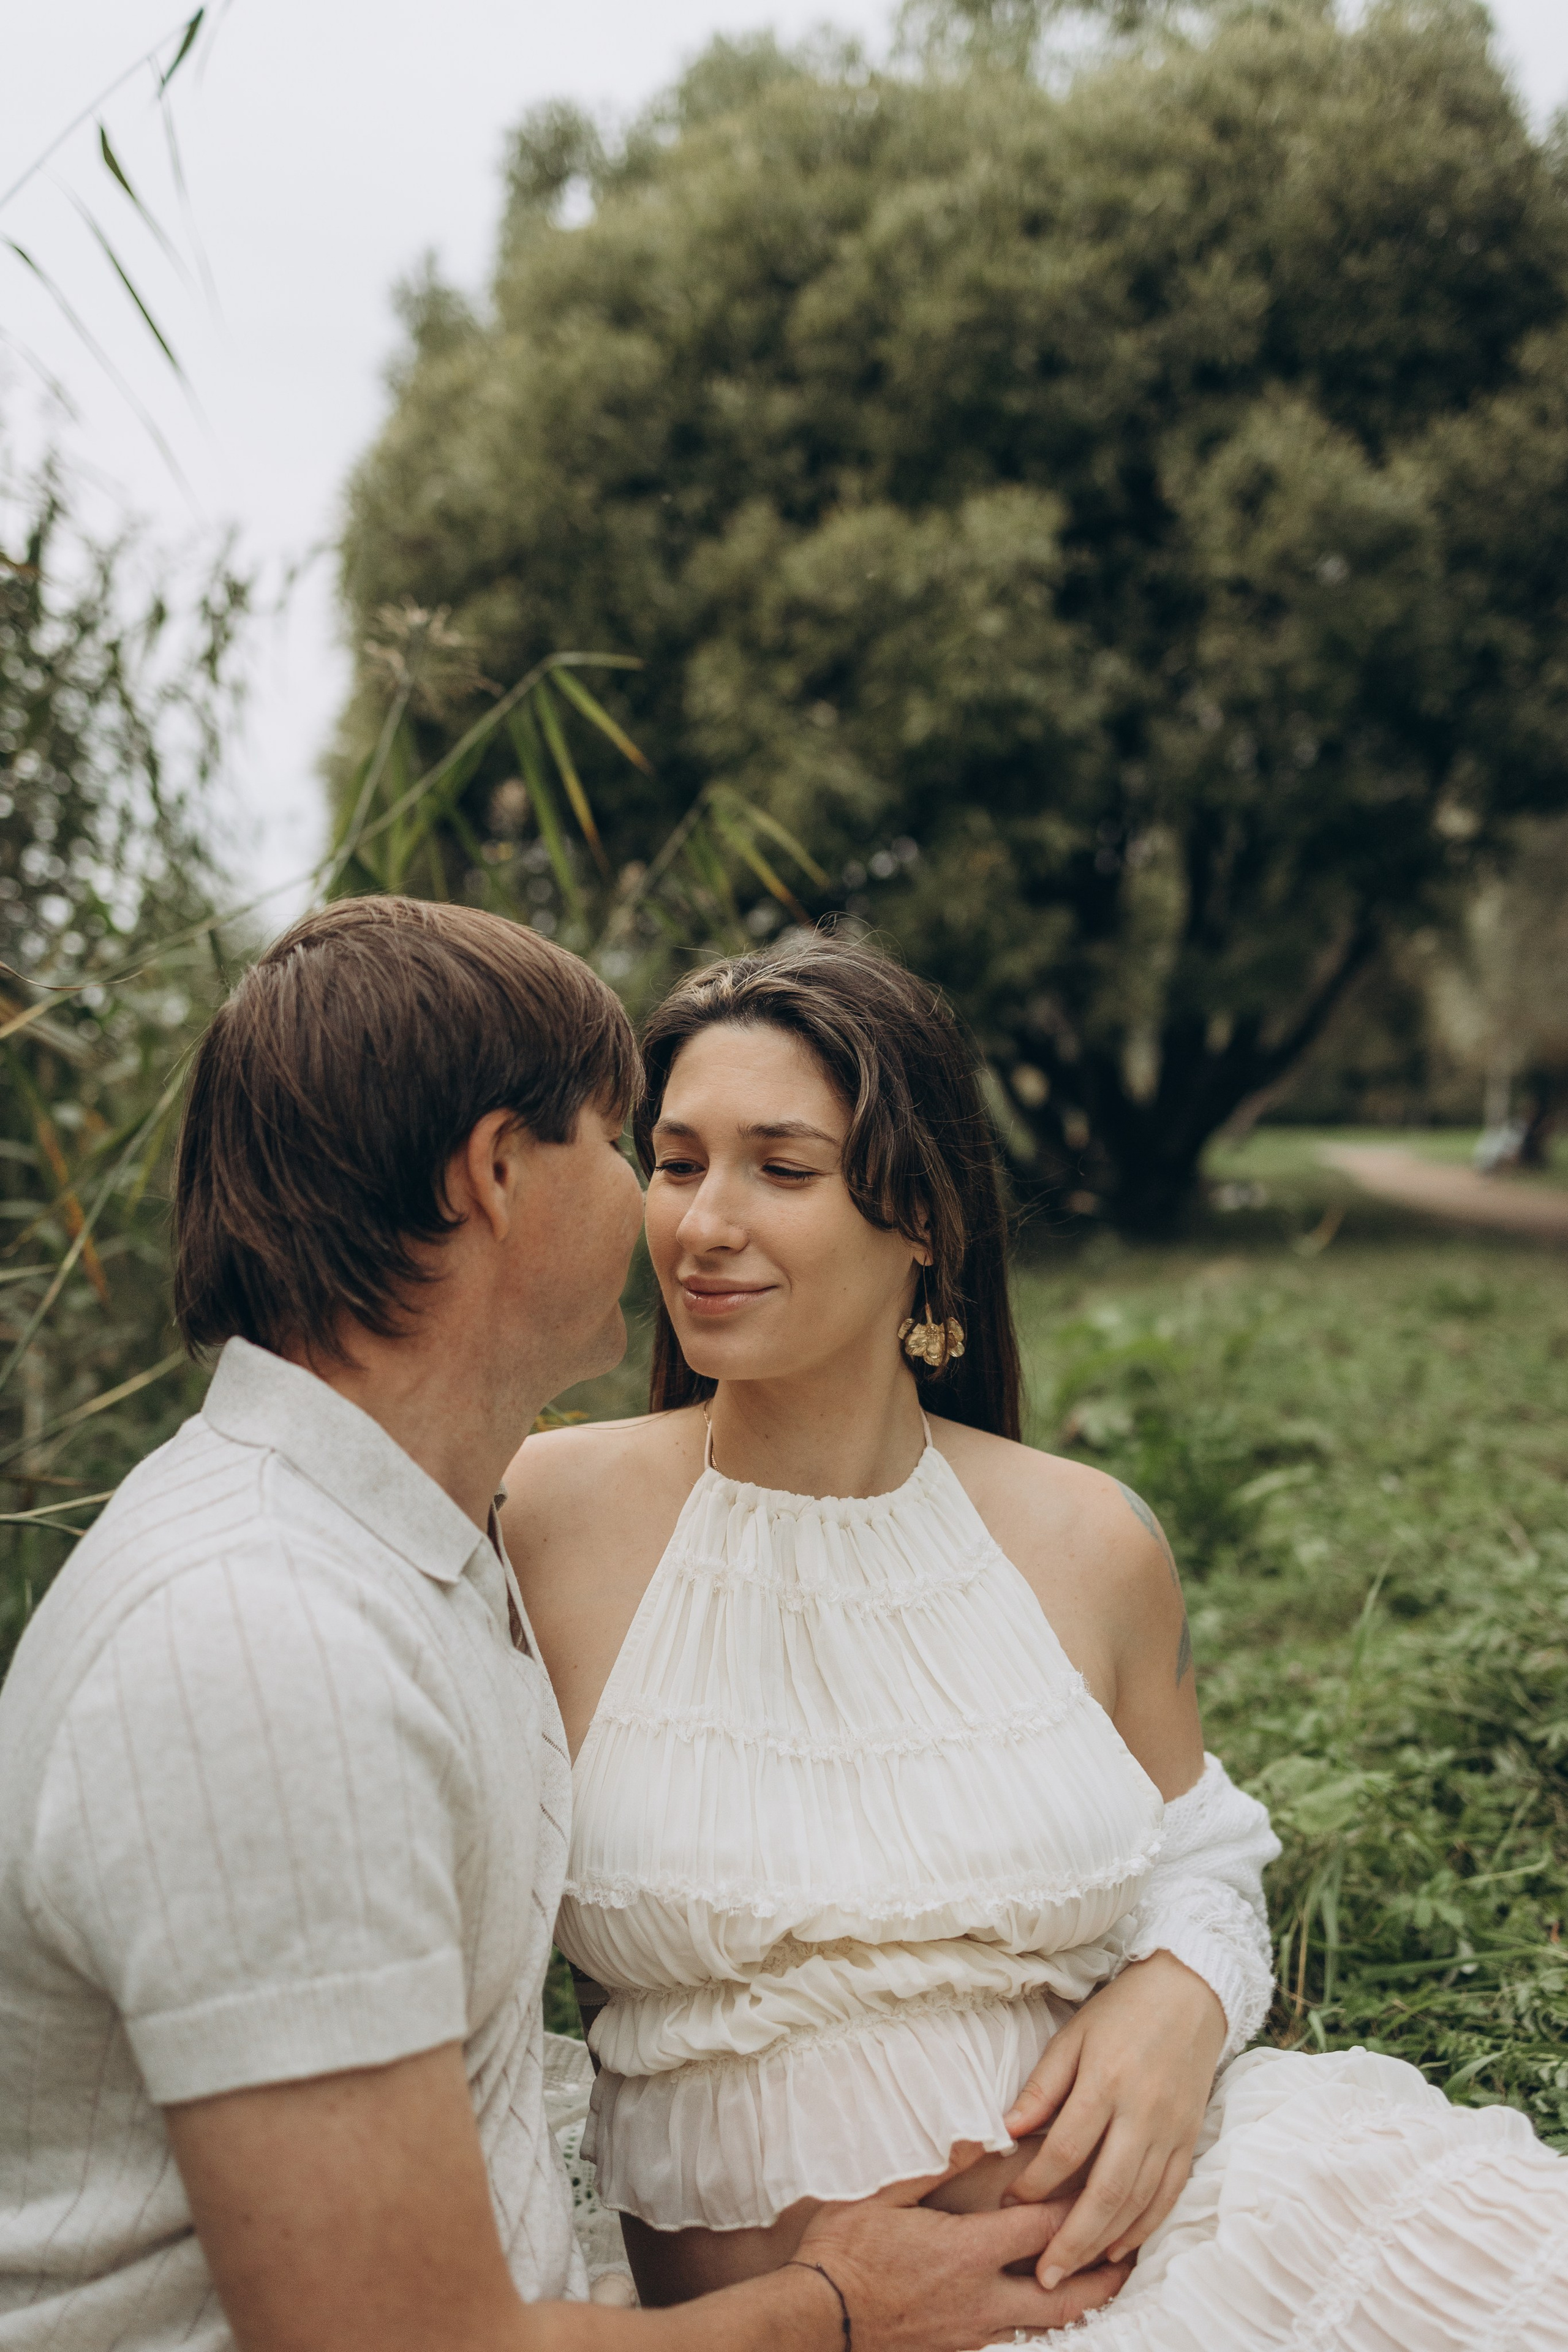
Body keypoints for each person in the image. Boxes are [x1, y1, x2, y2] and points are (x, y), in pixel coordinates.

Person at [0, 898, 1111, 2352]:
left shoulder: (401, 1551)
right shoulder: (267, 1656)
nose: (680, 1216)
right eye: (628, 1142)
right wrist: (837, 2311)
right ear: (496, 1174)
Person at [503, 935, 1568, 2351]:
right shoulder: (540, 1518)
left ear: (921, 1216)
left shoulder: (1086, 1538)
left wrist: (1177, 2003)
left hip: (1196, 2257)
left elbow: (1201, 1854)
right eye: (678, 1161)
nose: (703, 1223)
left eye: (781, 1167)